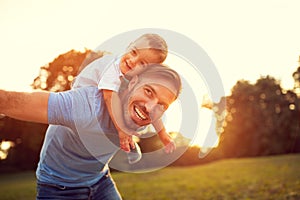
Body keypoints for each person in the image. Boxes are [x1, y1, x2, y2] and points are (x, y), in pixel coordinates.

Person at [0, 64, 182, 200]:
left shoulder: (148, 114)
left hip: (100, 181)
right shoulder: (85, 106)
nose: (150, 108)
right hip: (58, 188)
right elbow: (9, 101)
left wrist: (162, 136)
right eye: (149, 91)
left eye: (161, 105)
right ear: (132, 82)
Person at [72, 33, 176, 157]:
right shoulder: (112, 67)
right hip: (85, 100)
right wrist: (121, 130)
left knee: (134, 106)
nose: (133, 61)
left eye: (142, 64)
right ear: (129, 45)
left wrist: (163, 134)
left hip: (104, 98)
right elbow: (109, 97)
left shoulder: (136, 77)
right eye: (133, 52)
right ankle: (124, 140)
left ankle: (128, 142)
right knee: (117, 114)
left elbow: (152, 105)